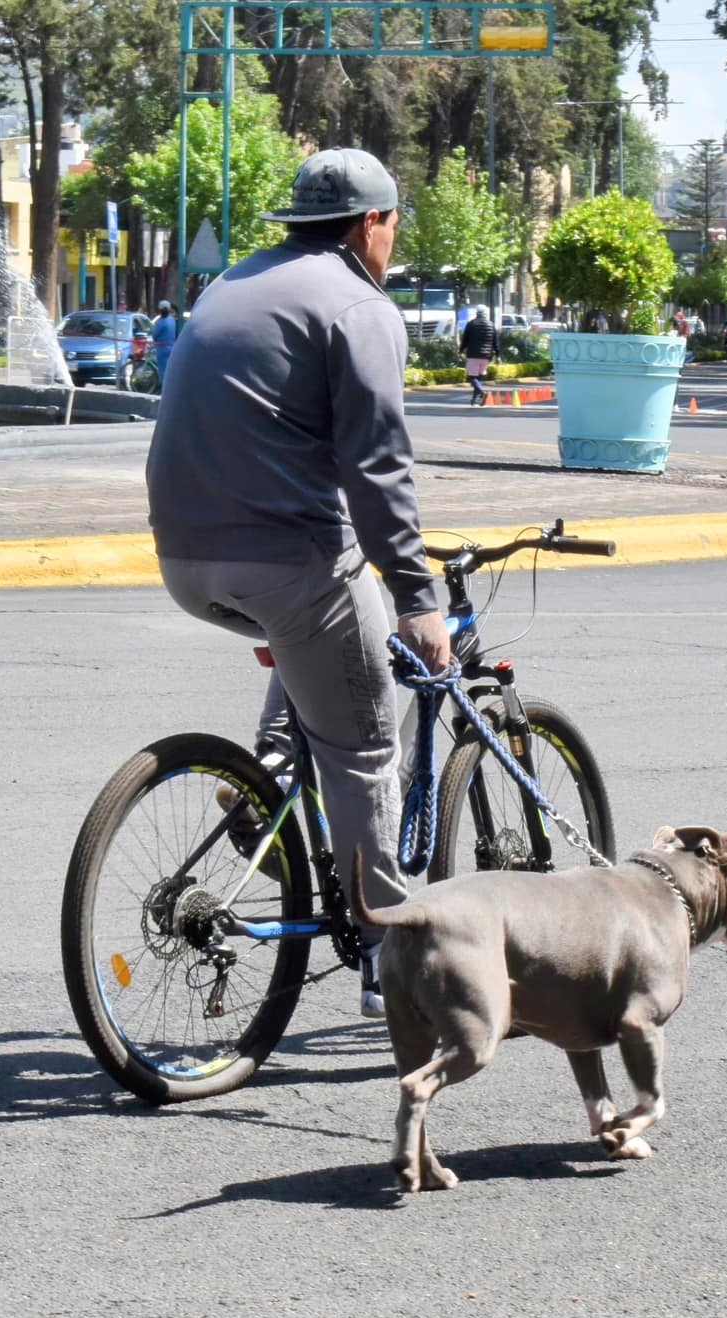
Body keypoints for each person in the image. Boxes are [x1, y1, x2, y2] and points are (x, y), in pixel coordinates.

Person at [144, 148, 452, 1018]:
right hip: (283, 563)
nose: (393, 241)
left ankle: (265, 786)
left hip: (183, 558)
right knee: (363, 750)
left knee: (323, 657)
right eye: (394, 225)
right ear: (371, 224)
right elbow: (378, 466)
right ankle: (396, 964)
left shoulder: (234, 283)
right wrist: (419, 599)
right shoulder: (359, 304)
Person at [460, 304, 496, 407]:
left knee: (472, 377)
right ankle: (474, 400)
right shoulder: (491, 324)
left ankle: (481, 393)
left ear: (477, 313)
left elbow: (465, 339)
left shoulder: (471, 324)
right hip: (486, 356)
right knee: (478, 378)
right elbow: (495, 341)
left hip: (473, 354)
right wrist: (498, 354)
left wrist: (461, 350)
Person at [148, 300, 179, 378]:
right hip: (171, 347)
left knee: (163, 370)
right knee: (169, 369)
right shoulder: (172, 320)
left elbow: (154, 335)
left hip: (162, 349)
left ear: (160, 310)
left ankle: (163, 388)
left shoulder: (161, 322)